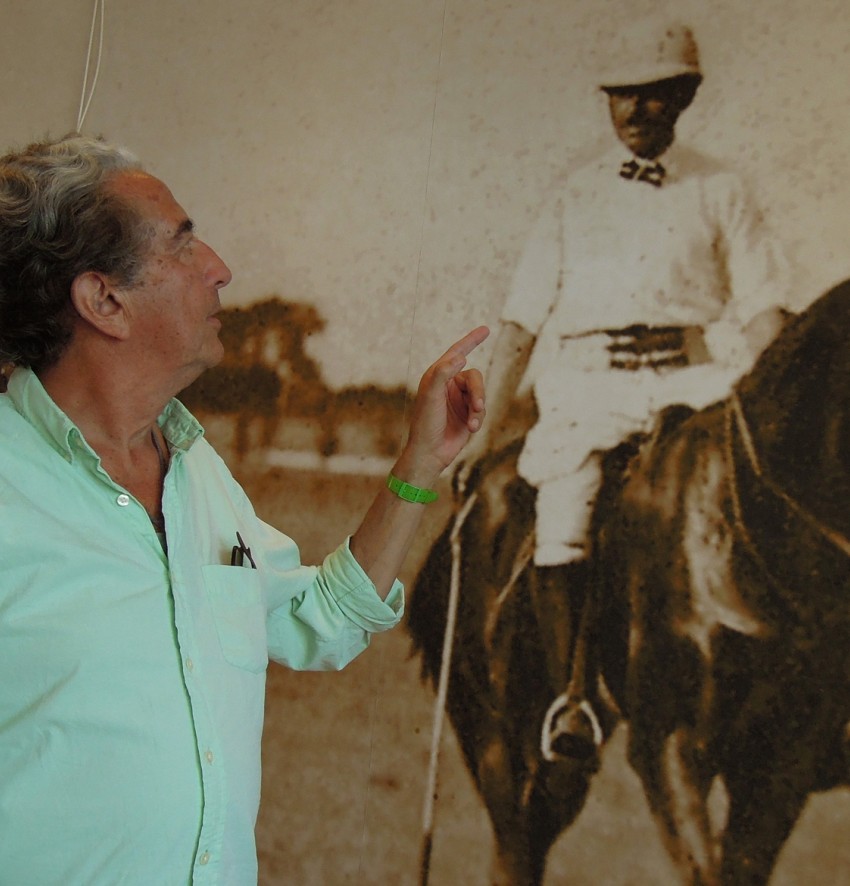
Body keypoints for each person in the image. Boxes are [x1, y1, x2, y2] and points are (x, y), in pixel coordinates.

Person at [0, 134, 487, 885]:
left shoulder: (197, 472)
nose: (219, 269)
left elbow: (319, 618)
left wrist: (420, 464)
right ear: (104, 300)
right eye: (182, 244)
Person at [461, 22, 792, 762]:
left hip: (699, 380)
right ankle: (573, 698)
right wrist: (484, 435)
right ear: (608, 101)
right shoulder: (572, 197)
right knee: (565, 512)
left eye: (656, 93)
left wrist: (769, 401)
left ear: (685, 96)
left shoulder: (723, 189)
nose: (639, 109)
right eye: (624, 94)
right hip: (589, 387)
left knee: (763, 501)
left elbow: (766, 309)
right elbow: (519, 325)